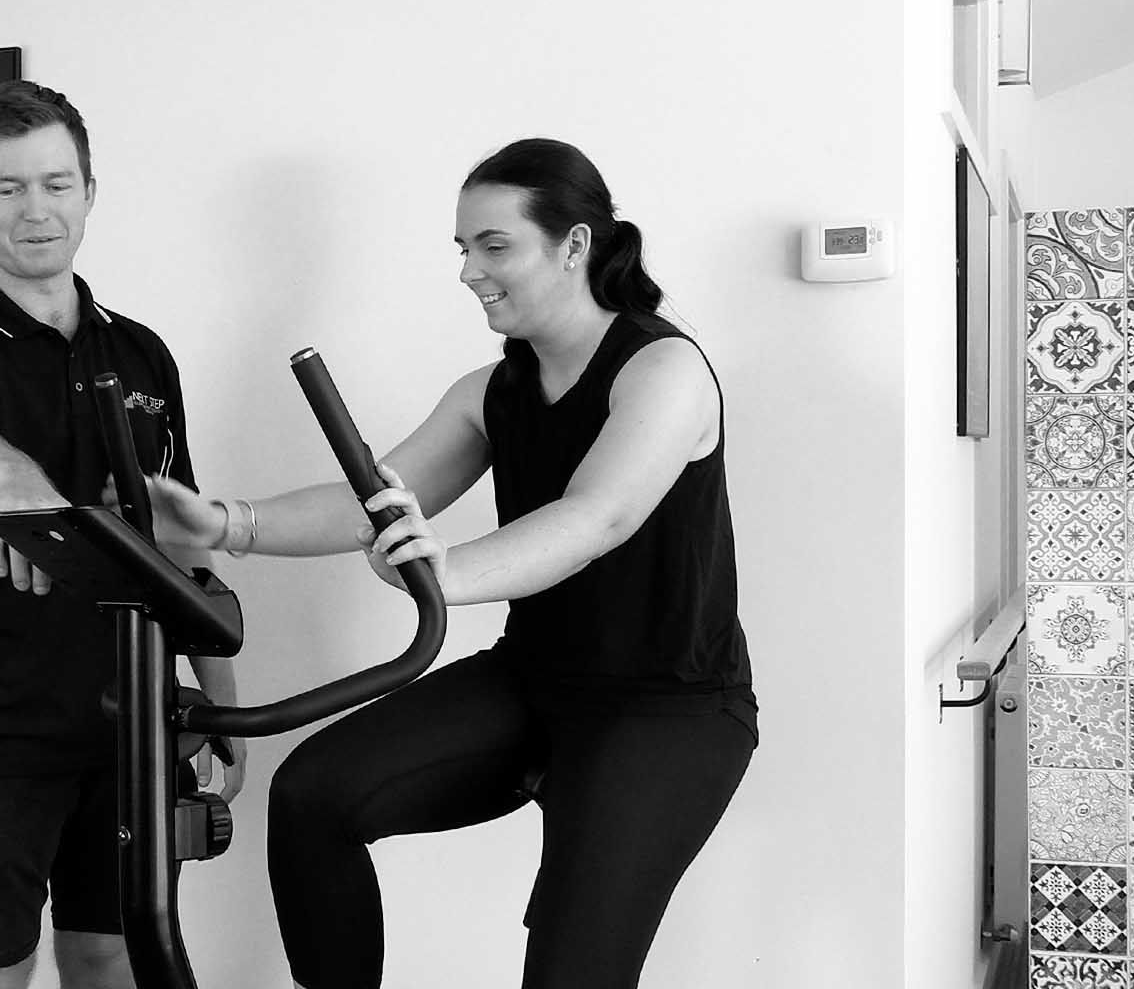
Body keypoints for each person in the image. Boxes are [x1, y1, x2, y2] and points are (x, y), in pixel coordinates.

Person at [142, 138, 757, 989]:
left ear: (574, 245)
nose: (470, 270)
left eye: (494, 245)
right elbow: (375, 500)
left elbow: (596, 517)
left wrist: (446, 576)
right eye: (463, 249)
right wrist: (221, 522)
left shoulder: (663, 369)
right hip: (534, 682)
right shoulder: (490, 391)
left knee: (574, 972)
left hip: (669, 707)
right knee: (313, 796)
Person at [0, 80, 246, 989]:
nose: (36, 210)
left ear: (89, 190)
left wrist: (224, 703)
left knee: (109, 956)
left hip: (131, 719)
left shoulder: (142, 353)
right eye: (6, 189)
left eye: (56, 183)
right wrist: (8, 478)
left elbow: (184, 539)